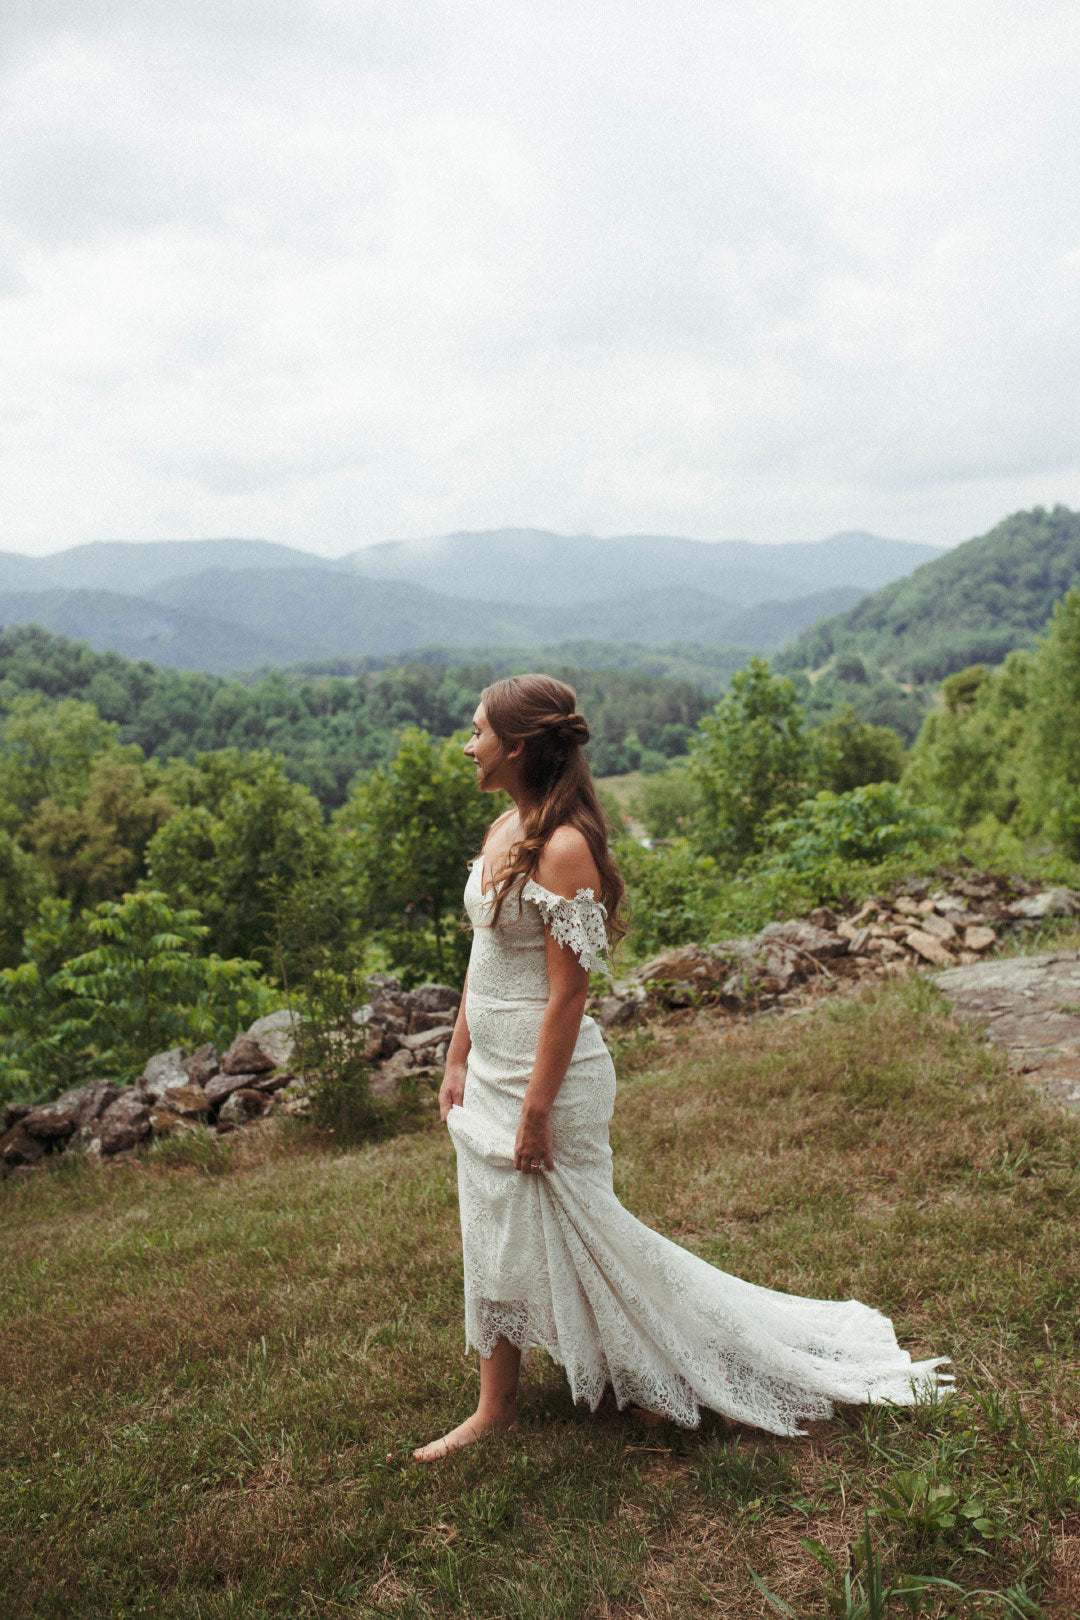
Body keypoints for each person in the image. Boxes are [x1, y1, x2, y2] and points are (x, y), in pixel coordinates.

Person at [412, 674, 950, 1462]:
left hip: (548, 1081)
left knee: (593, 1238)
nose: (469, 746)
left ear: (518, 745)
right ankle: (496, 1408)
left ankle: (665, 1367)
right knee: (494, 1235)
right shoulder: (504, 828)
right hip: (488, 1069)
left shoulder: (564, 849)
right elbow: (484, 958)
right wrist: (457, 1057)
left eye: (478, 733)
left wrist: (534, 1109)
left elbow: (568, 998)